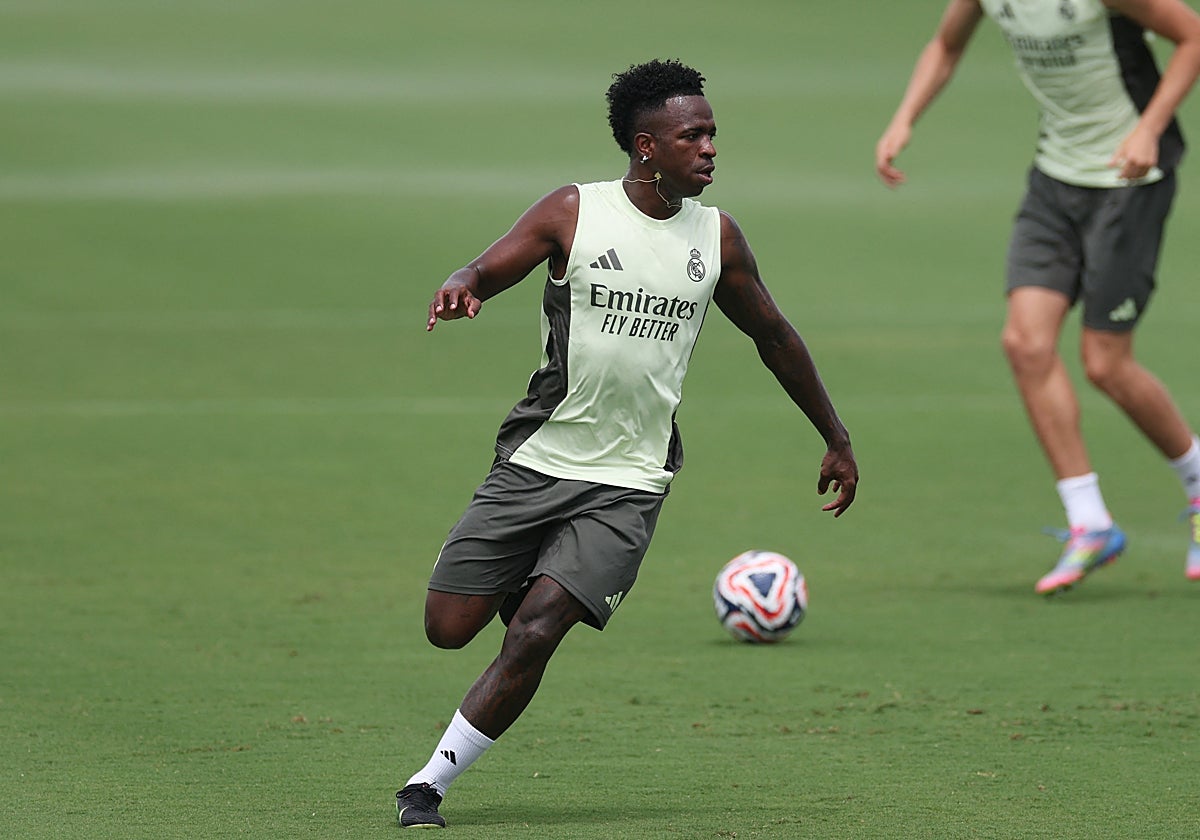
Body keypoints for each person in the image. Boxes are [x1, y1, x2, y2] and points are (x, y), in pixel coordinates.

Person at [394, 58, 859, 828]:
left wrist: (835, 437)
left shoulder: (717, 237)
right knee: (447, 629)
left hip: (630, 480)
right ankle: (531, 575)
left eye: (712, 133)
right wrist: (463, 283)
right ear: (647, 147)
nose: (710, 147)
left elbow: (774, 336)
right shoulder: (575, 212)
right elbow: (486, 266)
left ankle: (427, 786)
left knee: (535, 633)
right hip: (539, 456)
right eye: (693, 136)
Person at [875, 0, 1200, 594]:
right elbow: (945, 45)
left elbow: (1192, 37)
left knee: (1106, 364)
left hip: (1130, 181)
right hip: (1055, 180)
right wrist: (905, 119)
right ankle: (1090, 522)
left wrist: (1150, 128)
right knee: (1025, 344)